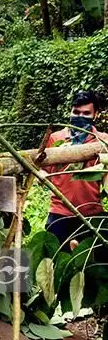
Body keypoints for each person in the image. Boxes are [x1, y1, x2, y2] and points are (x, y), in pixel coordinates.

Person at [45, 91, 108, 247]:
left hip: (92, 213)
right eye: (76, 112)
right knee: (57, 262)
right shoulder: (56, 138)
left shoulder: (104, 140)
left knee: (93, 264)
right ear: (70, 111)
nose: (80, 116)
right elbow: (43, 170)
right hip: (60, 212)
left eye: (86, 113)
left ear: (96, 114)